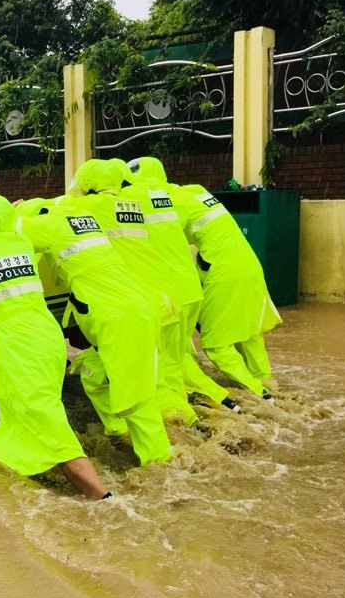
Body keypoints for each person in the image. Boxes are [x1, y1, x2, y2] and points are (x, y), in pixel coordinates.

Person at [0, 192, 110, 498]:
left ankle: (104, 501)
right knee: (27, 413)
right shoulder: (22, 243)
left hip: (16, 345)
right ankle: (26, 470)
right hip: (48, 338)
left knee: (50, 425)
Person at [14, 189, 173, 466]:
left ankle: (160, 467)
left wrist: (15, 209)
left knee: (137, 399)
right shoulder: (82, 220)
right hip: (138, 308)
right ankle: (118, 431)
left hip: (119, 318)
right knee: (92, 372)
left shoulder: (48, 224)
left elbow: (5, 230)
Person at [134, 159, 281, 398]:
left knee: (216, 345)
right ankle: (267, 381)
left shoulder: (164, 203)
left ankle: (262, 395)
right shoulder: (195, 190)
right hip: (248, 263)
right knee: (248, 333)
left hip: (222, 271)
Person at [72, 159, 197, 426]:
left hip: (140, 302)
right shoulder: (135, 202)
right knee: (166, 374)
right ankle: (191, 425)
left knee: (138, 378)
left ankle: (154, 436)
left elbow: (57, 213)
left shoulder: (90, 206)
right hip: (168, 296)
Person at [124, 157, 241, 413]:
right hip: (189, 290)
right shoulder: (169, 197)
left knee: (165, 363)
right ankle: (225, 400)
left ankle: (184, 418)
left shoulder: (128, 198)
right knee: (179, 358)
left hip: (165, 296)